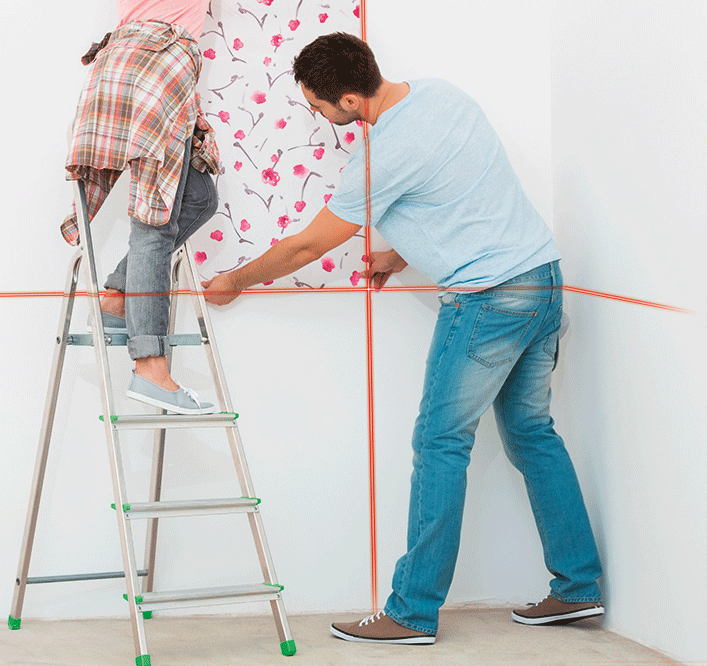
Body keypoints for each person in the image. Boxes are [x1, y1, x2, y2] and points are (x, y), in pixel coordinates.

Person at [203, 32, 604, 642]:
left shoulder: (377, 158)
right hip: (542, 283)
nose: (321, 119)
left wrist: (236, 278)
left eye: (319, 108)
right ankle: (577, 590)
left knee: (439, 444)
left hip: (487, 302)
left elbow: (309, 244)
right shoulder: (442, 96)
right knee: (533, 436)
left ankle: (412, 612)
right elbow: (463, 193)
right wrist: (398, 255)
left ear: (348, 101)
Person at [62, 0, 362, 415]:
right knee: (154, 217)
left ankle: (120, 293)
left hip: (115, 69)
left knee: (197, 196)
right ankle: (150, 367)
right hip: (163, 66)